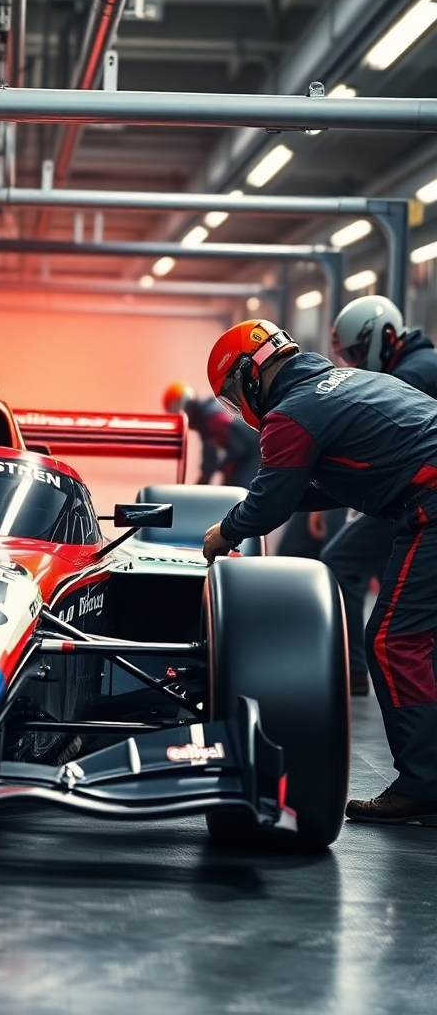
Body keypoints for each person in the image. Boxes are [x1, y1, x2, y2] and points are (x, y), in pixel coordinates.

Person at [201, 318, 437, 825]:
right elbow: (333, 481)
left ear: (247, 375)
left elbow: (266, 507)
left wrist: (226, 531)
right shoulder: (353, 381)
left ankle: (424, 785)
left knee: (395, 642)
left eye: (229, 395)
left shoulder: (294, 413)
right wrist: (276, 500)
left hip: (432, 504)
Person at [322, 296, 437, 695]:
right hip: (419, 489)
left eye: (355, 352)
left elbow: (386, 453)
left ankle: (351, 670)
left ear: (386, 335)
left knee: (341, 561)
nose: (352, 363)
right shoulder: (419, 365)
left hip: (422, 492)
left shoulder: (412, 376)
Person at [163, 382, 260, 489]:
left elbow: (237, 445)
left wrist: (223, 470)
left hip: (252, 451)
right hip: (249, 449)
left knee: (236, 489)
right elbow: (210, 458)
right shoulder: (204, 418)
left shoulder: (211, 418)